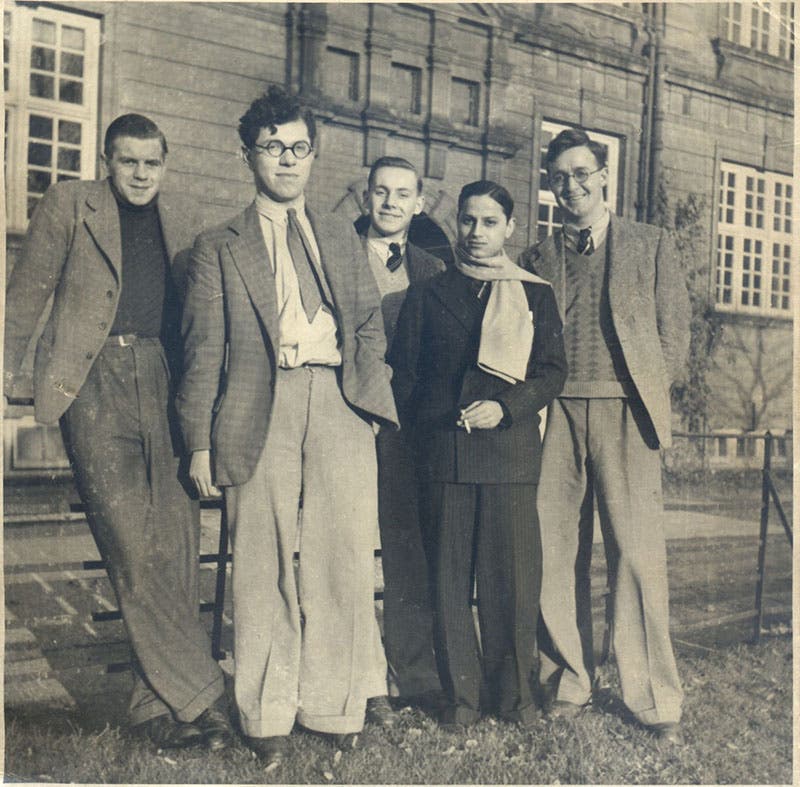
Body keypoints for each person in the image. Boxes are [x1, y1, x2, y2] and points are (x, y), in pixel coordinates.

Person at [176, 85, 399, 768]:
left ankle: (334, 705)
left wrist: (367, 395)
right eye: (273, 148)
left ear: (314, 155)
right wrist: (200, 441)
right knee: (262, 559)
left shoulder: (338, 235)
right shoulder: (219, 245)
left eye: (299, 148)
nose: (287, 160)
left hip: (337, 400)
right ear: (250, 155)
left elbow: (365, 321)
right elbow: (202, 347)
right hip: (258, 405)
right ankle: (267, 711)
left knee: (341, 552)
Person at [3, 114, 233, 751]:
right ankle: (204, 695)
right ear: (107, 160)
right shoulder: (70, 204)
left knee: (179, 547)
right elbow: (26, 294)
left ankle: (156, 709)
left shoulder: (183, 216)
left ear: (166, 164)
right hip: (94, 381)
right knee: (132, 547)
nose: (140, 174)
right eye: (127, 161)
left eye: (151, 163)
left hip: (165, 379)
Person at [519, 127, 690, 744]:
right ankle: (568, 679)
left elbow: (676, 336)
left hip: (625, 416)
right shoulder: (536, 257)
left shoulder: (650, 243)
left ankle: (652, 699)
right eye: (559, 178)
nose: (571, 186)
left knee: (637, 557)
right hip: (555, 416)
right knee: (554, 551)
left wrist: (646, 393)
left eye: (581, 173)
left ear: (602, 176)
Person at [390, 180, 567, 729]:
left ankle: (515, 700)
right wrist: (434, 428)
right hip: (445, 457)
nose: (475, 233)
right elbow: (407, 377)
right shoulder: (425, 294)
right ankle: (461, 701)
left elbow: (552, 372)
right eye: (468, 220)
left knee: (510, 581)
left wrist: (506, 408)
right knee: (448, 583)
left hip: (510, 455)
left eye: (489, 222)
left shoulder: (534, 294)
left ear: (511, 229)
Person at [356, 156, 446, 708]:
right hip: (346, 418)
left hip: (407, 432)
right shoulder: (334, 259)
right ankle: (360, 680)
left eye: (402, 193)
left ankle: (414, 675)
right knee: (345, 551)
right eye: (381, 191)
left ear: (418, 202)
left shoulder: (433, 271)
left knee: (408, 551)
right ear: (368, 197)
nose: (390, 202)